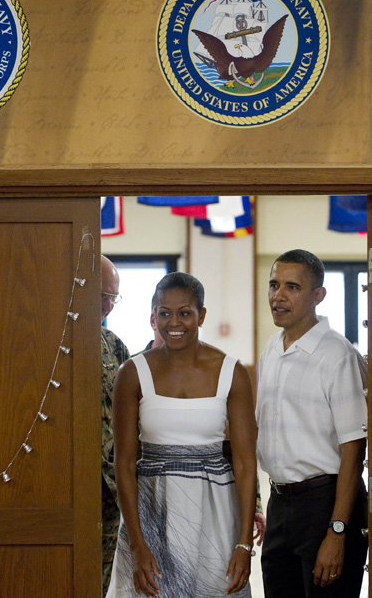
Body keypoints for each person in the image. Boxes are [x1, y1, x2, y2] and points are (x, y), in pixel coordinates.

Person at [108, 272, 257, 597]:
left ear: (201, 315)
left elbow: (245, 463)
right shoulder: (131, 373)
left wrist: (244, 543)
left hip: (214, 514)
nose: (174, 322)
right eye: (165, 313)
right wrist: (137, 545)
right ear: (153, 316)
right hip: (151, 513)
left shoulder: (231, 372)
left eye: (184, 313)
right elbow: (124, 464)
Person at [256, 249, 368, 597]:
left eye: (292, 287)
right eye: (274, 285)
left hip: (327, 503)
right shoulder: (272, 348)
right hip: (280, 502)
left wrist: (337, 531)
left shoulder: (338, 356)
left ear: (318, 295)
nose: (278, 296)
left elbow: (354, 448)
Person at [101, 255, 130, 595]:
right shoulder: (52, 343)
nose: (108, 305)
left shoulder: (114, 346)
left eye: (113, 297)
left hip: (108, 489)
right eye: (101, 296)